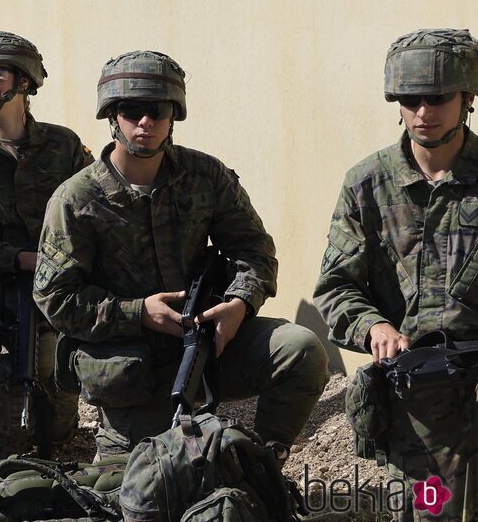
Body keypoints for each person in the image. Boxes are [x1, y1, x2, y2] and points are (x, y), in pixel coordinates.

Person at [33, 50, 329, 460]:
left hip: (209, 343)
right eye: (131, 110)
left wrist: (240, 303)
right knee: (141, 489)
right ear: (111, 116)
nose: (145, 122)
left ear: (174, 116)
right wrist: (139, 312)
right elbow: (56, 300)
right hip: (133, 369)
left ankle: (262, 465)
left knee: (301, 350)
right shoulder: (76, 200)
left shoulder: (205, 176)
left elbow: (254, 248)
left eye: (157, 110)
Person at [314, 28, 478, 522]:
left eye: (437, 97)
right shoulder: (368, 184)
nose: (423, 111)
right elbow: (336, 285)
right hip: (422, 403)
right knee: (434, 512)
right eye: (409, 99)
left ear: (467, 99)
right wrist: (374, 326)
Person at [0, 31, 91, 455]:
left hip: (60, 285)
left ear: (24, 82)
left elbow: (92, 214)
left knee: (59, 421)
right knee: (6, 394)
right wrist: (26, 260)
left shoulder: (62, 144)